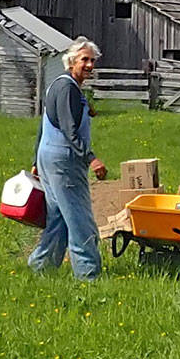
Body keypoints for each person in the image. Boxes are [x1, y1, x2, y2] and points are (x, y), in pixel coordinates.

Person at [27, 37, 108, 281]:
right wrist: (92, 159)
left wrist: (35, 161)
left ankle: (40, 268)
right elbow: (69, 129)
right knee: (80, 219)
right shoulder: (66, 89)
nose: (90, 65)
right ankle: (88, 275)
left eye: (92, 60)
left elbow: (44, 125)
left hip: (49, 157)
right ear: (71, 61)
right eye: (85, 59)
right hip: (64, 161)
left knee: (59, 217)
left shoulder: (60, 86)